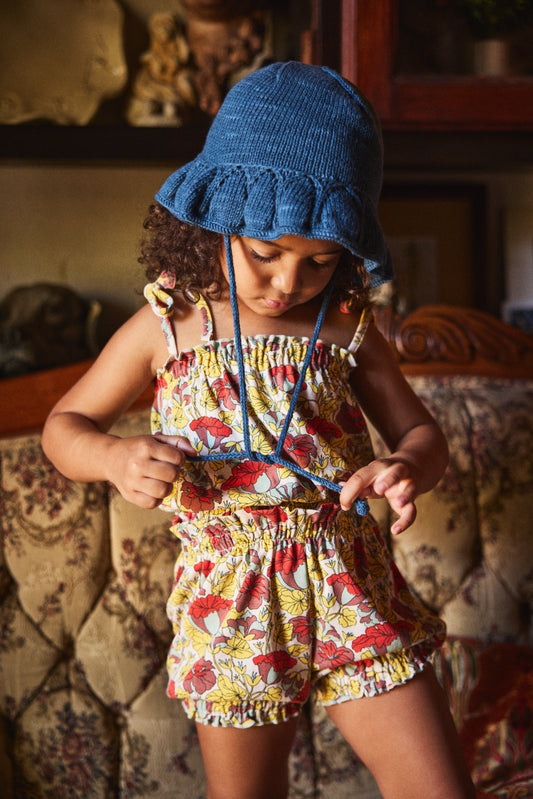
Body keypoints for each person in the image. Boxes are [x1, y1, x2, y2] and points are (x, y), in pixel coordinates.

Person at [42, 62, 475, 799]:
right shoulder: (166, 325)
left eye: (319, 261)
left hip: (351, 584)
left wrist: (404, 466)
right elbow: (63, 426)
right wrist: (112, 457)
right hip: (230, 602)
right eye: (265, 252)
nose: (286, 284)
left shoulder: (349, 329)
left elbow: (421, 435)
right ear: (215, 216)